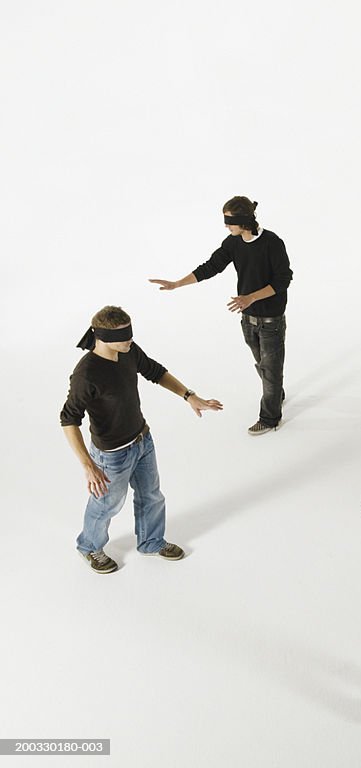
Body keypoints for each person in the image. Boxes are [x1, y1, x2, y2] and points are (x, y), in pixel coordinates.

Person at [60, 306, 223, 574]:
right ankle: (89, 546)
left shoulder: (128, 352)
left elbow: (155, 372)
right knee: (107, 504)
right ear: (102, 337)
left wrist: (189, 395)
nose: (130, 340)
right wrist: (88, 465)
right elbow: (68, 419)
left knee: (151, 495)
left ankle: (151, 541)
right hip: (111, 454)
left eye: (130, 333)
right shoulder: (86, 375)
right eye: (124, 335)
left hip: (142, 441)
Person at [149, 196, 293, 436]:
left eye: (229, 222)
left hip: (271, 320)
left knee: (271, 370)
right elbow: (211, 266)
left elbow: (283, 280)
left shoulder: (272, 243)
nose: (226, 226)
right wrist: (177, 284)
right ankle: (275, 393)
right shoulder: (233, 243)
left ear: (244, 222)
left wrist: (251, 297)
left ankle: (270, 418)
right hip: (247, 319)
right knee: (264, 366)